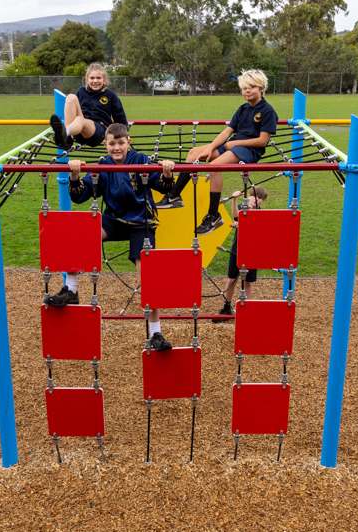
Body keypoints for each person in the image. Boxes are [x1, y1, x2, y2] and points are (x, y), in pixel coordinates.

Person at [47, 123, 178, 351]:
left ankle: (155, 333)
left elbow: (164, 187)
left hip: (142, 222)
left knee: (147, 279)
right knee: (81, 237)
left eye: (120, 143)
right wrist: (76, 176)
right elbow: (81, 196)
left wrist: (167, 173)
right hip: (114, 219)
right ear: (105, 144)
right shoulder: (102, 166)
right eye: (111, 143)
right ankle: (71, 289)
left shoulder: (141, 161)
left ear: (128, 142)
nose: (116, 148)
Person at [156, 69, 277, 236]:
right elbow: (226, 132)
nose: (247, 91)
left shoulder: (267, 111)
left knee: (214, 166)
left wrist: (235, 142)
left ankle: (214, 216)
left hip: (250, 150)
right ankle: (174, 196)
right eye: (244, 88)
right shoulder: (242, 109)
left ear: (262, 88)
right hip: (232, 145)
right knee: (192, 153)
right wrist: (211, 148)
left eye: (252, 87)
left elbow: (262, 141)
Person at [48, 63, 128, 151]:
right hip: (78, 130)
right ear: (86, 80)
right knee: (71, 97)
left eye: (98, 78)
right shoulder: (81, 91)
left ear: (104, 80)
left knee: (80, 119)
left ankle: (64, 132)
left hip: (98, 131)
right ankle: (67, 138)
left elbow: (120, 117)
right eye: (92, 78)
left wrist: (124, 136)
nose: (95, 81)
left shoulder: (110, 95)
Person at [218, 186, 268, 317]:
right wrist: (234, 199)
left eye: (261, 199)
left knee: (248, 281)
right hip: (237, 249)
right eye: (256, 197)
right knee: (231, 280)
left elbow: (255, 229)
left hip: (252, 251)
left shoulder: (260, 213)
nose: (258, 201)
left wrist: (241, 224)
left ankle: (245, 307)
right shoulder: (243, 206)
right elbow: (236, 215)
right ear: (250, 196)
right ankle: (226, 306)